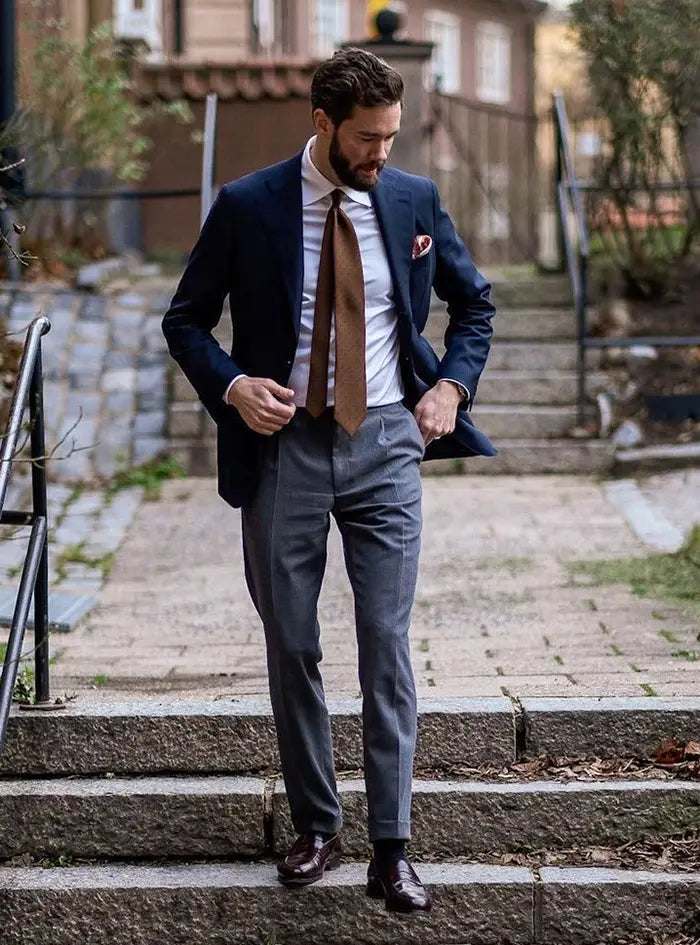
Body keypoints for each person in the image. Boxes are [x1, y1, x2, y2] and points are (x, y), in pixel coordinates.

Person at [162, 47, 496, 914]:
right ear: (322, 124)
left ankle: (393, 846)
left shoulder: (414, 199)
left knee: (385, 642)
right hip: (286, 449)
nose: (382, 152)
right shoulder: (247, 206)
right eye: (366, 138)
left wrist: (451, 387)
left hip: (387, 442)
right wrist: (233, 385)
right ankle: (318, 823)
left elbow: (475, 302)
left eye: (391, 134)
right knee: (295, 642)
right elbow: (186, 319)